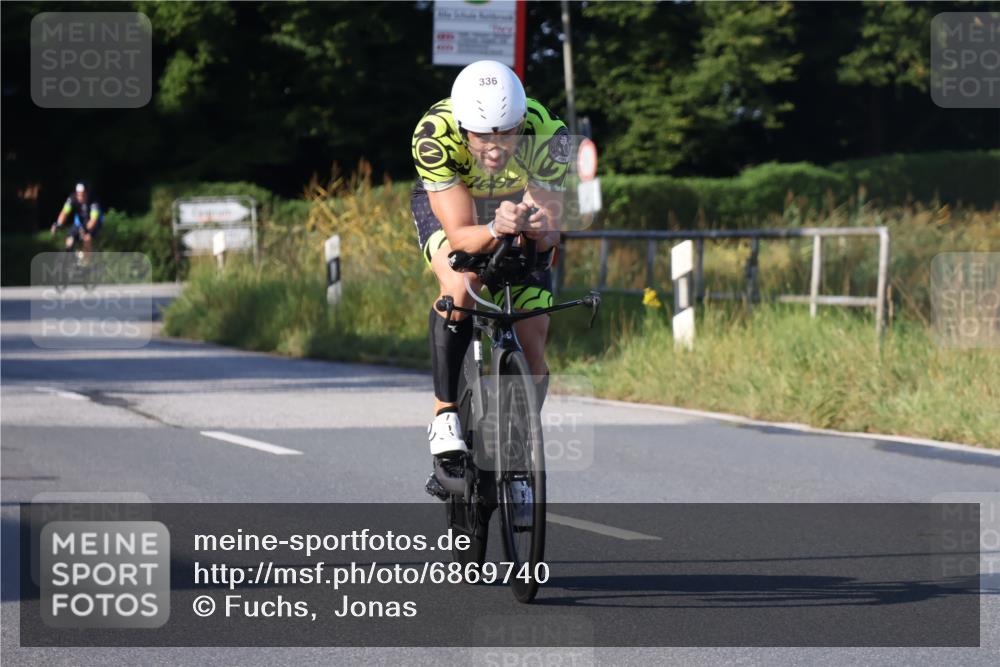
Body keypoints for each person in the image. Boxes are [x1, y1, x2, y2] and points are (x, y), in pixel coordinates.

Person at [411, 60, 571, 460]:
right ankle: (445, 410)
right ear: (464, 126)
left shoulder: (550, 134)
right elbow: (461, 232)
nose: (496, 148)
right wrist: (495, 230)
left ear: (522, 121)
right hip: (457, 206)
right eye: (482, 136)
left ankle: (517, 451)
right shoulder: (434, 134)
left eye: (509, 134)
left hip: (516, 203)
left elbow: (551, 230)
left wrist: (534, 228)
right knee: (460, 283)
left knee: (533, 335)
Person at [51, 183, 102, 256]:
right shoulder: (72, 198)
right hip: (80, 221)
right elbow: (64, 212)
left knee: (87, 238)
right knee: (70, 239)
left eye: (83, 194)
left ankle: (86, 263)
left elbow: (94, 219)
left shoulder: (93, 200)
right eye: (78, 194)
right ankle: (71, 257)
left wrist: (85, 230)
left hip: (94, 221)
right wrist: (58, 224)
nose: (80, 197)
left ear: (87, 193)